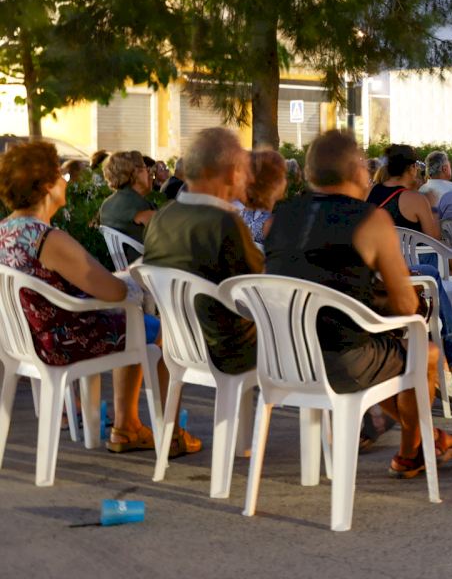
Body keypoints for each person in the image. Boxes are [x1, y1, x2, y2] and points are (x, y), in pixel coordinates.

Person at [266, 130, 452, 477]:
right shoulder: (370, 219)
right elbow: (406, 306)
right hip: (341, 361)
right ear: (355, 170)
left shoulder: (279, 218)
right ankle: (411, 452)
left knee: (381, 352)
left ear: (310, 173)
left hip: (280, 358)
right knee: (425, 353)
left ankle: (430, 439)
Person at [0, 141, 182, 455]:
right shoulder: (47, 238)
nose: (65, 183)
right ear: (46, 186)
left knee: (132, 321)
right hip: (64, 340)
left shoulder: (5, 230)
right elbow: (114, 292)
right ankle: (166, 433)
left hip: (25, 339)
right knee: (162, 331)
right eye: (60, 177)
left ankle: (128, 425)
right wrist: (128, 278)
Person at [366, 146, 452, 409]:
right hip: (413, 275)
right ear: (412, 168)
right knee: (434, 277)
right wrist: (431, 208)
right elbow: (433, 238)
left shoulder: (371, 194)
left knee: (432, 288)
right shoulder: (414, 199)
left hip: (380, 275)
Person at [143, 128, 263, 380]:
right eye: (243, 168)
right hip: (229, 350)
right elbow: (258, 286)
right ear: (230, 172)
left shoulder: (161, 216)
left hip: (178, 344)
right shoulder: (224, 222)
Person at [98, 151, 157, 253]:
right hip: (144, 260)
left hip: (122, 261)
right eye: (145, 168)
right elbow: (163, 231)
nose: (149, 173)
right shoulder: (136, 203)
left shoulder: (107, 204)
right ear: (135, 173)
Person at [237, 148, 288, 244]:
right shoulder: (275, 226)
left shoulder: (237, 216)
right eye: (283, 175)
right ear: (274, 183)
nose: (286, 180)